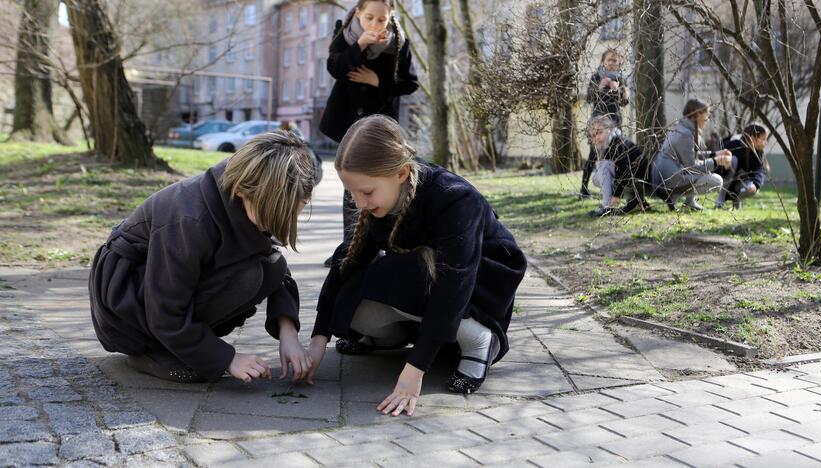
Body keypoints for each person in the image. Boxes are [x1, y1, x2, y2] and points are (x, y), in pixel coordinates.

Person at [306, 115, 527, 417]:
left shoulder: (455, 198)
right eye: (352, 192)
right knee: (351, 296)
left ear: (401, 173)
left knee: (408, 275)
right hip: (427, 276)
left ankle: (478, 339)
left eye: (366, 192)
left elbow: (454, 285)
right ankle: (396, 335)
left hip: (481, 283)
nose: (358, 203)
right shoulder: (382, 198)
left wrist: (414, 371)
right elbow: (349, 258)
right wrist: (319, 338)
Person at [88, 131, 318, 385]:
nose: (276, 226)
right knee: (248, 278)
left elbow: (277, 269)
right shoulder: (189, 220)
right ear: (243, 191)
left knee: (271, 267)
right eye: (272, 215)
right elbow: (165, 311)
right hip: (126, 310)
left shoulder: (242, 197)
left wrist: (288, 333)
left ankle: (186, 345)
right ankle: (152, 350)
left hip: (161, 299)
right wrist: (227, 358)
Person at [319, 0, 419, 266]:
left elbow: (410, 84)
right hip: (348, 122)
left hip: (379, 125)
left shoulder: (399, 42)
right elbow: (335, 68)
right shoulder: (346, 33)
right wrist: (360, 44)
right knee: (353, 188)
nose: (375, 24)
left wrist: (378, 82)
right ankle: (349, 249)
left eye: (381, 20)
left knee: (383, 187)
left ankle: (383, 247)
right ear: (358, 14)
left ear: (390, 18)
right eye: (369, 18)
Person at [651, 98, 733, 211]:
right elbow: (692, 166)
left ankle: (689, 202)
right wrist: (717, 161)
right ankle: (674, 196)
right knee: (716, 181)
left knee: (705, 169)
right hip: (669, 181)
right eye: (706, 113)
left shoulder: (681, 127)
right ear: (696, 113)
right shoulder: (686, 134)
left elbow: (691, 155)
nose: (707, 118)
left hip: (665, 177)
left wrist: (715, 154)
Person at [580, 49, 630, 198]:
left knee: (617, 154)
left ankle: (613, 190)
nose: (612, 63)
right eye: (609, 60)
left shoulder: (621, 80)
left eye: (615, 60)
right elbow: (589, 98)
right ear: (603, 61)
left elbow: (625, 102)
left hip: (614, 120)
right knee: (594, 154)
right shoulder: (596, 77)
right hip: (598, 122)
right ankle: (583, 189)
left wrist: (618, 90)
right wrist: (600, 86)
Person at [585, 115, 651, 216]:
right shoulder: (605, 145)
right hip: (632, 182)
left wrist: (616, 196)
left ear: (608, 130)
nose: (597, 137)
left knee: (604, 165)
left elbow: (624, 171)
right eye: (593, 135)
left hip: (642, 182)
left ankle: (606, 207)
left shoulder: (618, 143)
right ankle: (637, 201)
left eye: (599, 132)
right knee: (597, 176)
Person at [715, 123, 769, 209]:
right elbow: (717, 157)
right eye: (763, 139)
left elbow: (760, 171)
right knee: (733, 159)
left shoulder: (759, 153)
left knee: (750, 188)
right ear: (753, 138)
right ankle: (721, 198)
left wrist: (755, 184)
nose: (765, 142)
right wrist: (725, 165)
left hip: (741, 184)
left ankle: (737, 201)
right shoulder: (734, 144)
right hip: (726, 180)